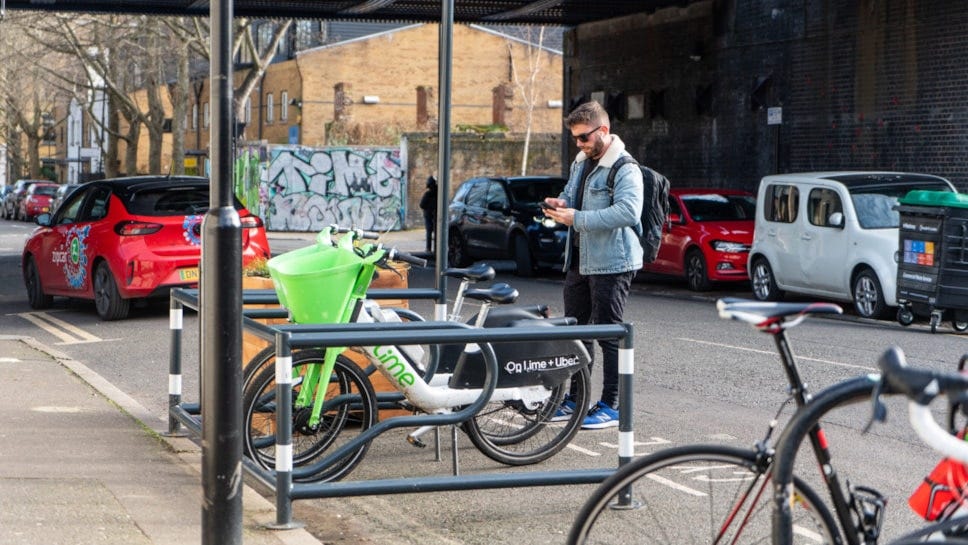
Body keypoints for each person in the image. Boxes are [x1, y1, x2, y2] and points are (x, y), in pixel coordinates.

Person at [542, 101, 643, 429]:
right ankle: (576, 399)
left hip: (612, 262)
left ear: (604, 131)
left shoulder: (625, 168)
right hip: (579, 259)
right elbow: (572, 196)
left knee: (608, 333)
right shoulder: (581, 162)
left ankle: (611, 406)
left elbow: (629, 212)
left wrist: (578, 218)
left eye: (584, 137)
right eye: (575, 138)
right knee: (577, 331)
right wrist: (561, 204)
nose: (579, 144)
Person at [419, 175, 438, 253]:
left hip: (429, 215)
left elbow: (422, 205)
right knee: (437, 233)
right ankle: (437, 249)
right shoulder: (439, 193)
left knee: (429, 232)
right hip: (436, 215)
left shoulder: (428, 194)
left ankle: (428, 248)